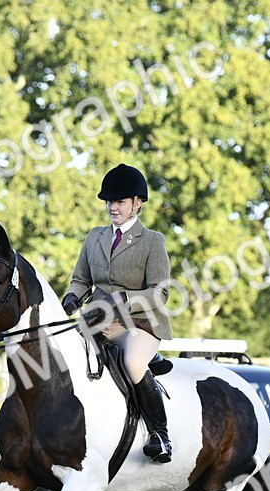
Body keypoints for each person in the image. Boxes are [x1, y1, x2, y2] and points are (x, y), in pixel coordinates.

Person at [62, 163, 173, 463]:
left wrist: (125, 298)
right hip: (96, 320)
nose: (113, 207)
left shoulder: (153, 241)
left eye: (120, 202)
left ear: (137, 203)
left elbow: (160, 292)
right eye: (110, 201)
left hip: (138, 324)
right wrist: (71, 297)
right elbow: (81, 279)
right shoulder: (94, 237)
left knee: (133, 362)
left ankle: (160, 435)